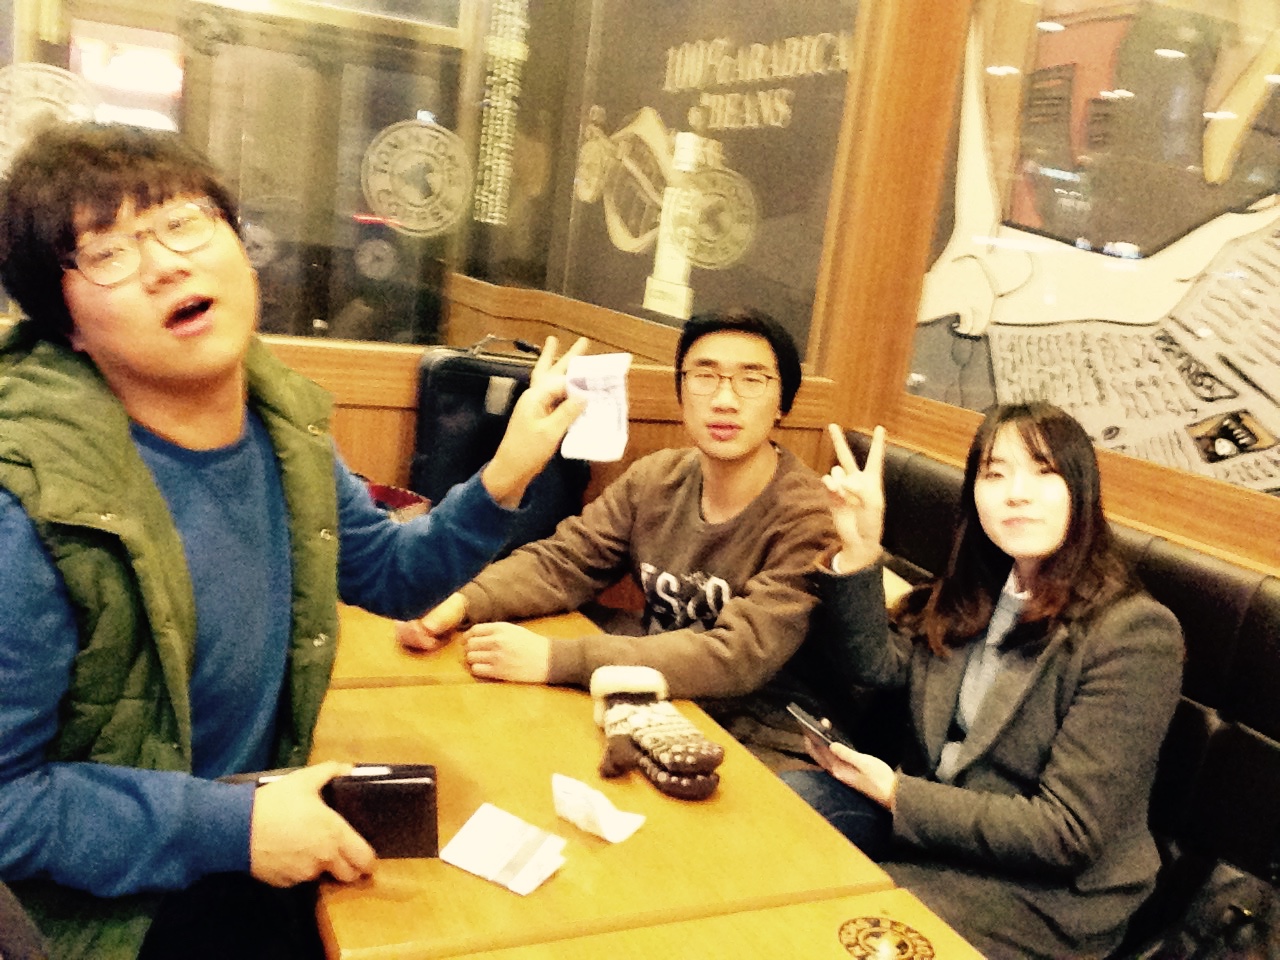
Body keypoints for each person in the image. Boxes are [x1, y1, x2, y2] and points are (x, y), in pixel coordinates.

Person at [0, 122, 586, 960]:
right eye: (108, 254)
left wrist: (505, 475)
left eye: (182, 222)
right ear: (68, 328)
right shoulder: (29, 501)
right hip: (112, 918)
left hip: (245, 850)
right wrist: (236, 827)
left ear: (241, 249)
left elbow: (390, 574)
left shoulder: (280, 431)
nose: (165, 264)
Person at [781, 404, 1184, 959]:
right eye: (995, 474)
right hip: (936, 832)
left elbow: (1066, 832)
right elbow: (876, 667)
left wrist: (896, 792)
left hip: (1042, 890)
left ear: (1081, 491)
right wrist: (860, 548)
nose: (1016, 493)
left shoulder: (1135, 633)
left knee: (831, 930)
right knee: (779, 814)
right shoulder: (981, 591)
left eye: (1043, 472)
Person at [397, 309, 838, 755]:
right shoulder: (656, 478)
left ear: (782, 403)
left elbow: (737, 657)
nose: (725, 399)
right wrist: (458, 602)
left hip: (764, 734)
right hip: (651, 701)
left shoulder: (809, 515)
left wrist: (555, 660)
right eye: (705, 376)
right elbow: (564, 562)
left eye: (752, 380)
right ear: (681, 393)